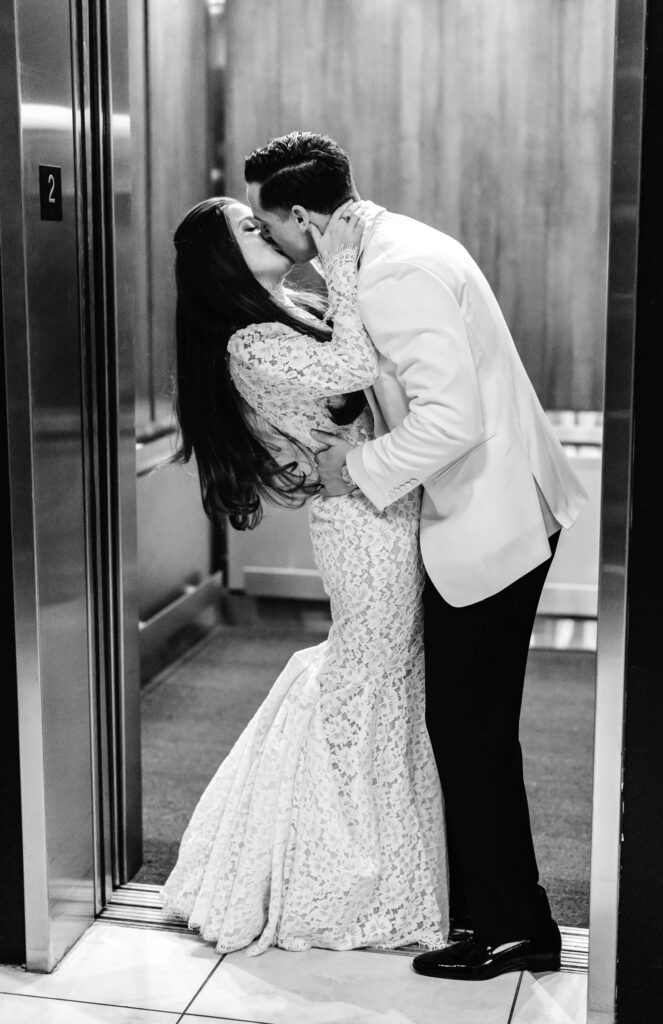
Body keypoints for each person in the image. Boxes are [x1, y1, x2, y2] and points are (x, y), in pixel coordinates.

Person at [244, 131, 588, 980]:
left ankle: (513, 928)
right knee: (466, 727)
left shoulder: (393, 271)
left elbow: (452, 421)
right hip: (503, 506)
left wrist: (350, 469)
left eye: (269, 226)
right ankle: (492, 915)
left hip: (491, 520)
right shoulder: (391, 248)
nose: (275, 246)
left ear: (299, 215)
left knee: (470, 732)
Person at [160, 195, 448, 956]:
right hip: (362, 526)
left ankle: (377, 856)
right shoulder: (248, 342)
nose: (268, 229)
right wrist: (344, 261)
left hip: (380, 505)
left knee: (376, 675)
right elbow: (354, 364)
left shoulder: (285, 306)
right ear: (223, 261)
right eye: (248, 229)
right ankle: (339, 870)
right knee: (369, 677)